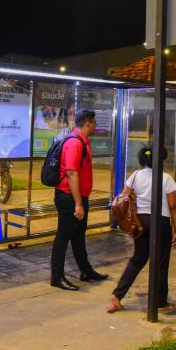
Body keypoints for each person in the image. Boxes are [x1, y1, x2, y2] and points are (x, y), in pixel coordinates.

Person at [107, 145, 176, 314]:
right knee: (161, 263)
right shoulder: (166, 178)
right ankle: (160, 302)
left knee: (137, 259)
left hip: (140, 223)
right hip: (160, 223)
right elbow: (172, 206)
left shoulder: (136, 175)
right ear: (160, 160)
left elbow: (123, 197)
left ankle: (117, 296)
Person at [50, 108, 108, 291]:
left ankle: (86, 271)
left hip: (78, 197)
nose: (95, 126)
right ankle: (56, 277)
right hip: (69, 198)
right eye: (95, 123)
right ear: (88, 122)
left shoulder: (83, 141)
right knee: (63, 237)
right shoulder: (74, 143)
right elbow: (72, 174)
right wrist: (77, 204)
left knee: (78, 236)